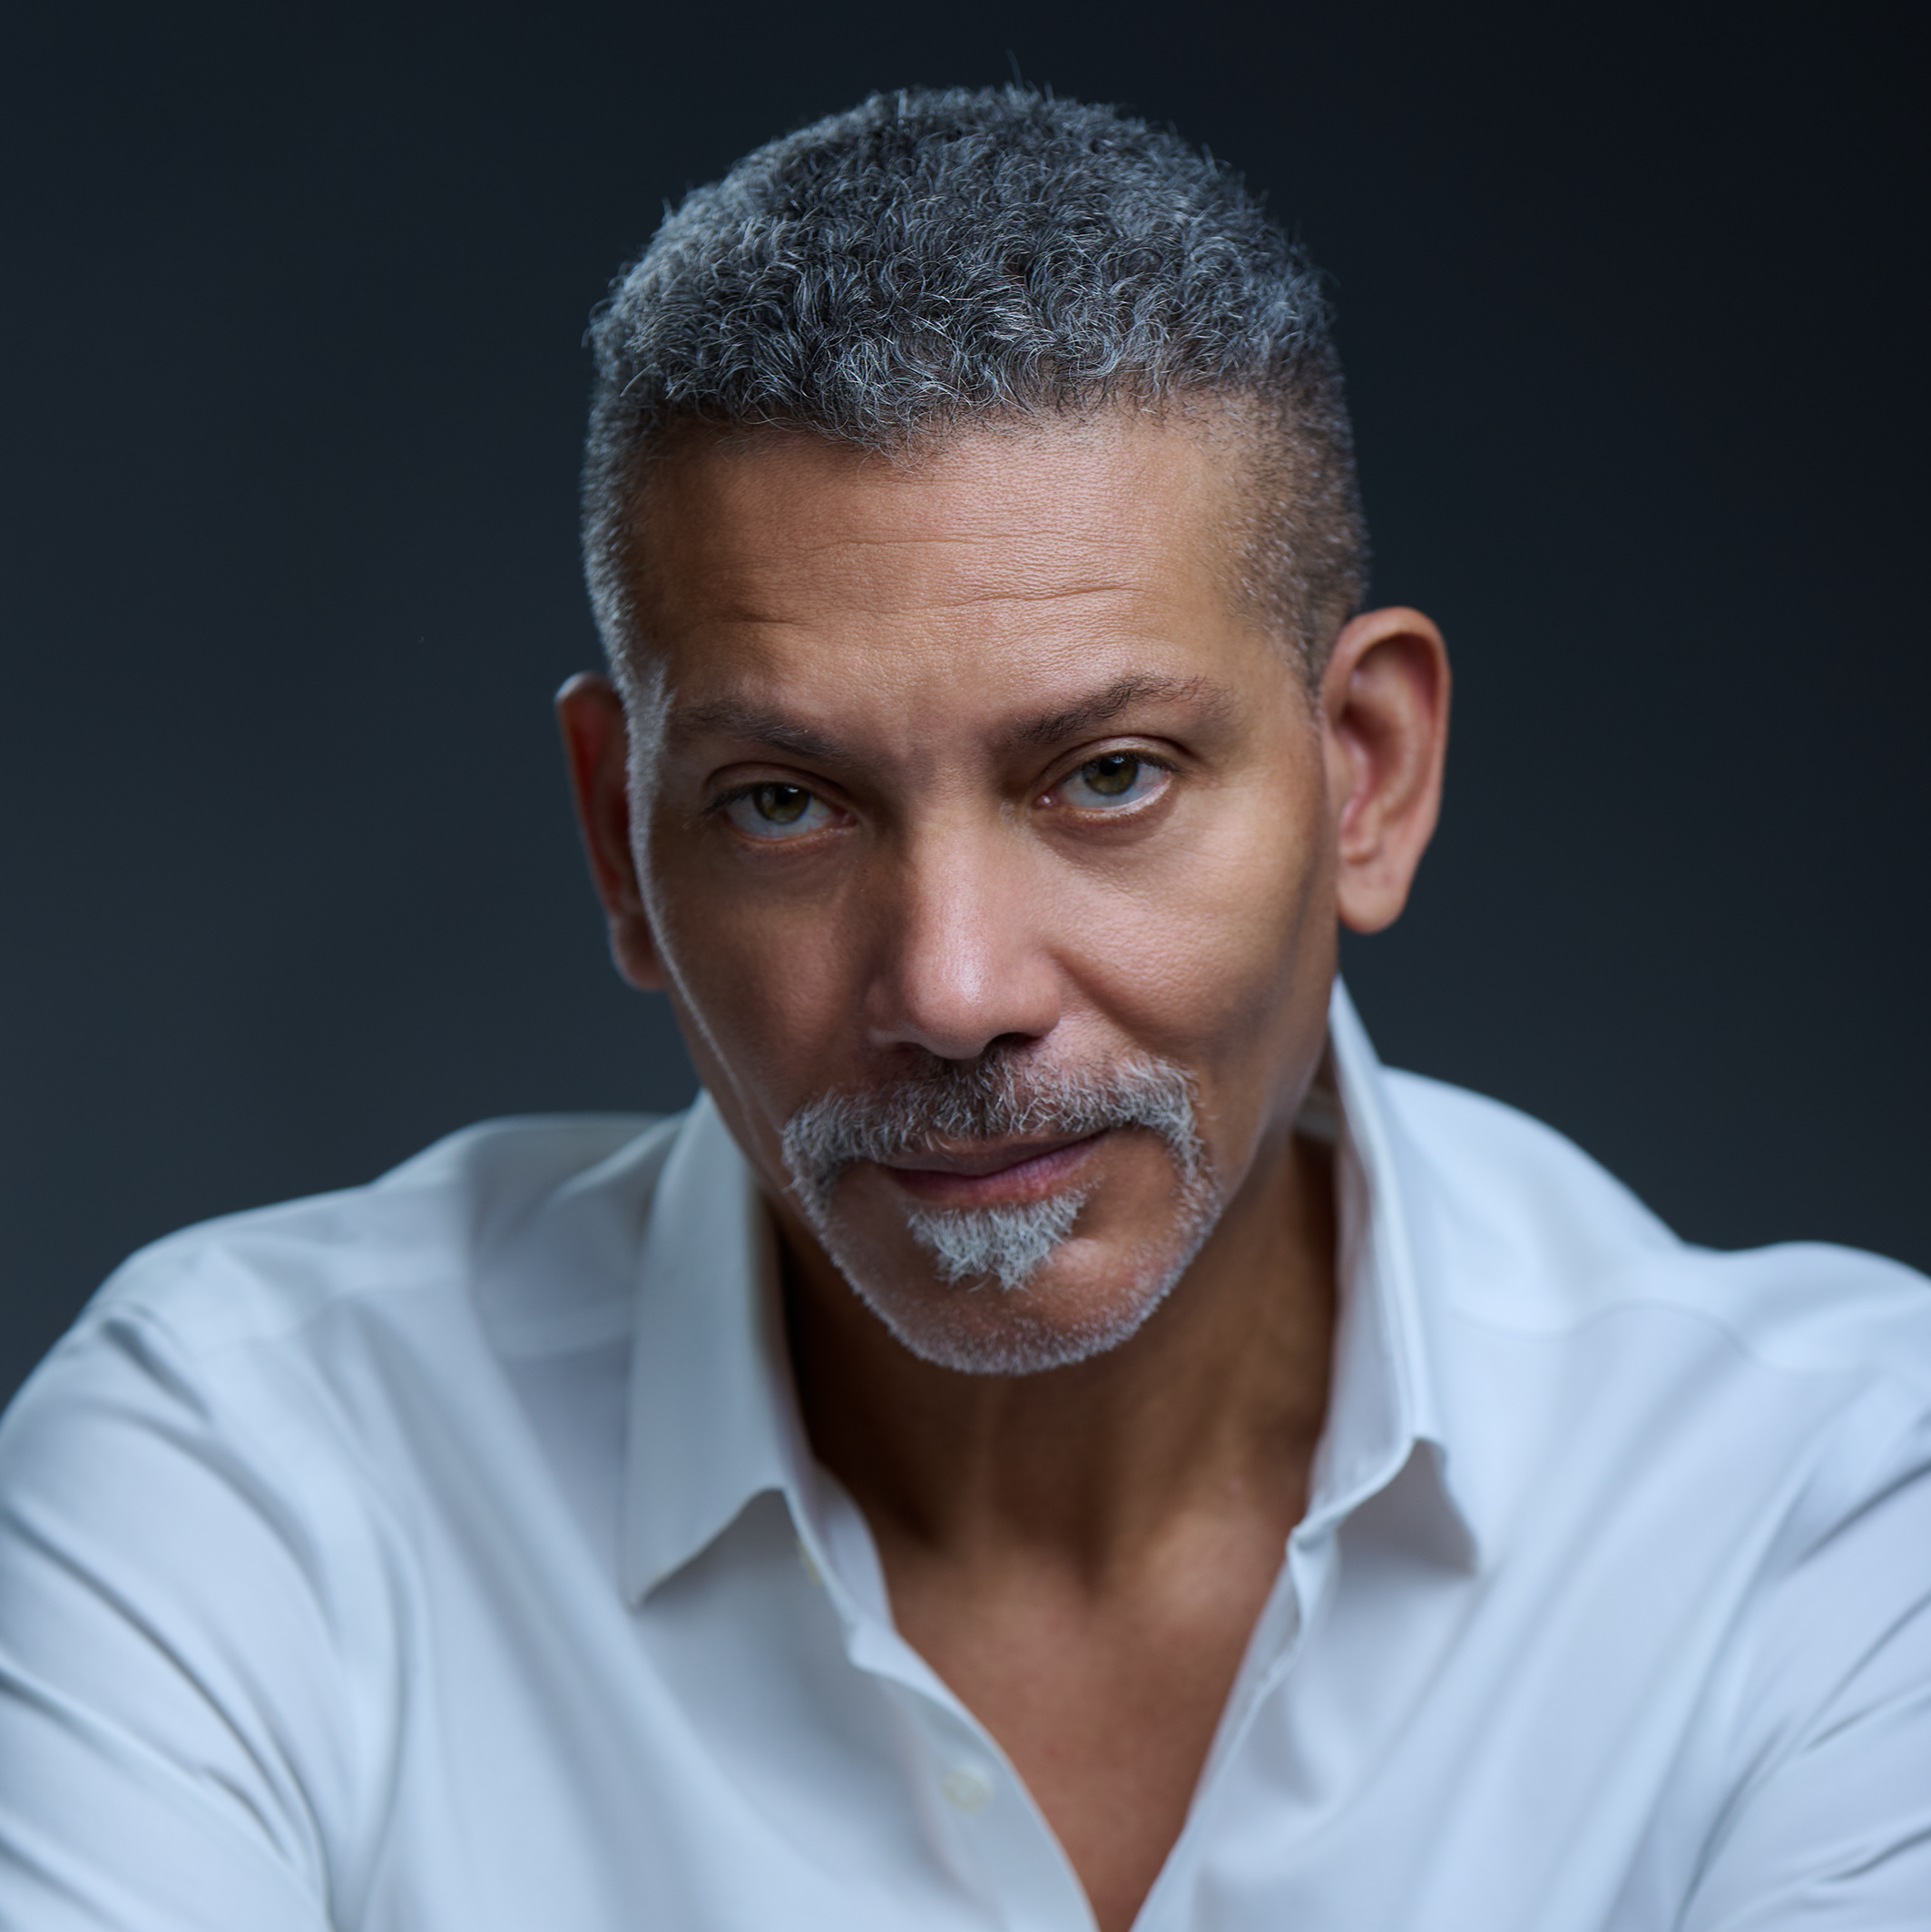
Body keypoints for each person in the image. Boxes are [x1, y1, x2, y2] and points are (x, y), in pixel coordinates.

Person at [1, 85, 1926, 1932]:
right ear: (617, 840)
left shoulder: (1826, 1514)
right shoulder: (242, 1474)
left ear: (1363, 773)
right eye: (783, 802)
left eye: (1104, 775)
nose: (949, 987)